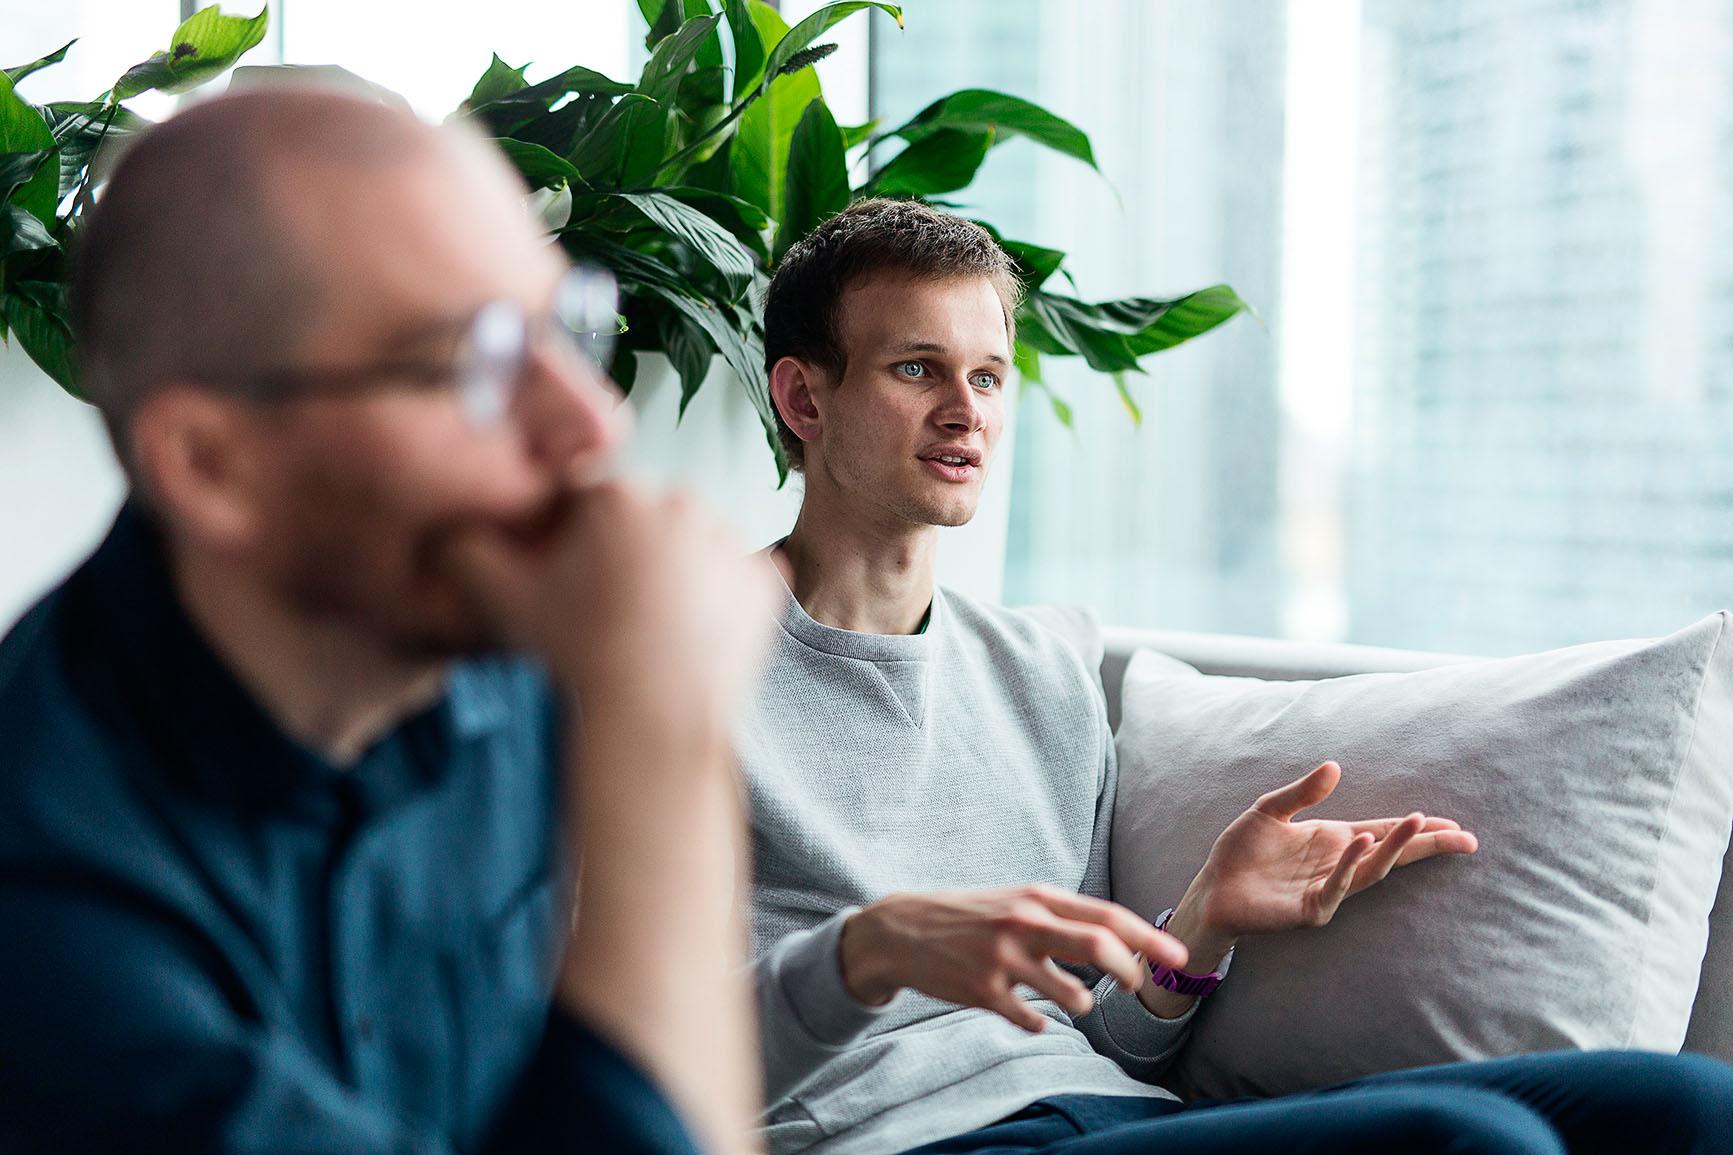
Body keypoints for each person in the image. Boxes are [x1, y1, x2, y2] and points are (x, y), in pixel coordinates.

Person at [739, 196, 1733, 1155]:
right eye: (917, 368)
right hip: (901, 1137)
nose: (965, 411)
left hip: (1107, 1110)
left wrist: (1204, 916)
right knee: (1476, 1142)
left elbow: (1108, 1037)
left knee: (1685, 1102)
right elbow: (655, 1068)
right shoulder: (687, 671)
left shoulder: (1039, 671)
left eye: (989, 377)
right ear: (802, 398)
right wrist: (862, 955)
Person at [0, 88, 778, 1154]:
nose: (592, 423)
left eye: (565, 329)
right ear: (212, 465)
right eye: (473, 361)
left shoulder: (512, 644)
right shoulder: (46, 910)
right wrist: (664, 741)